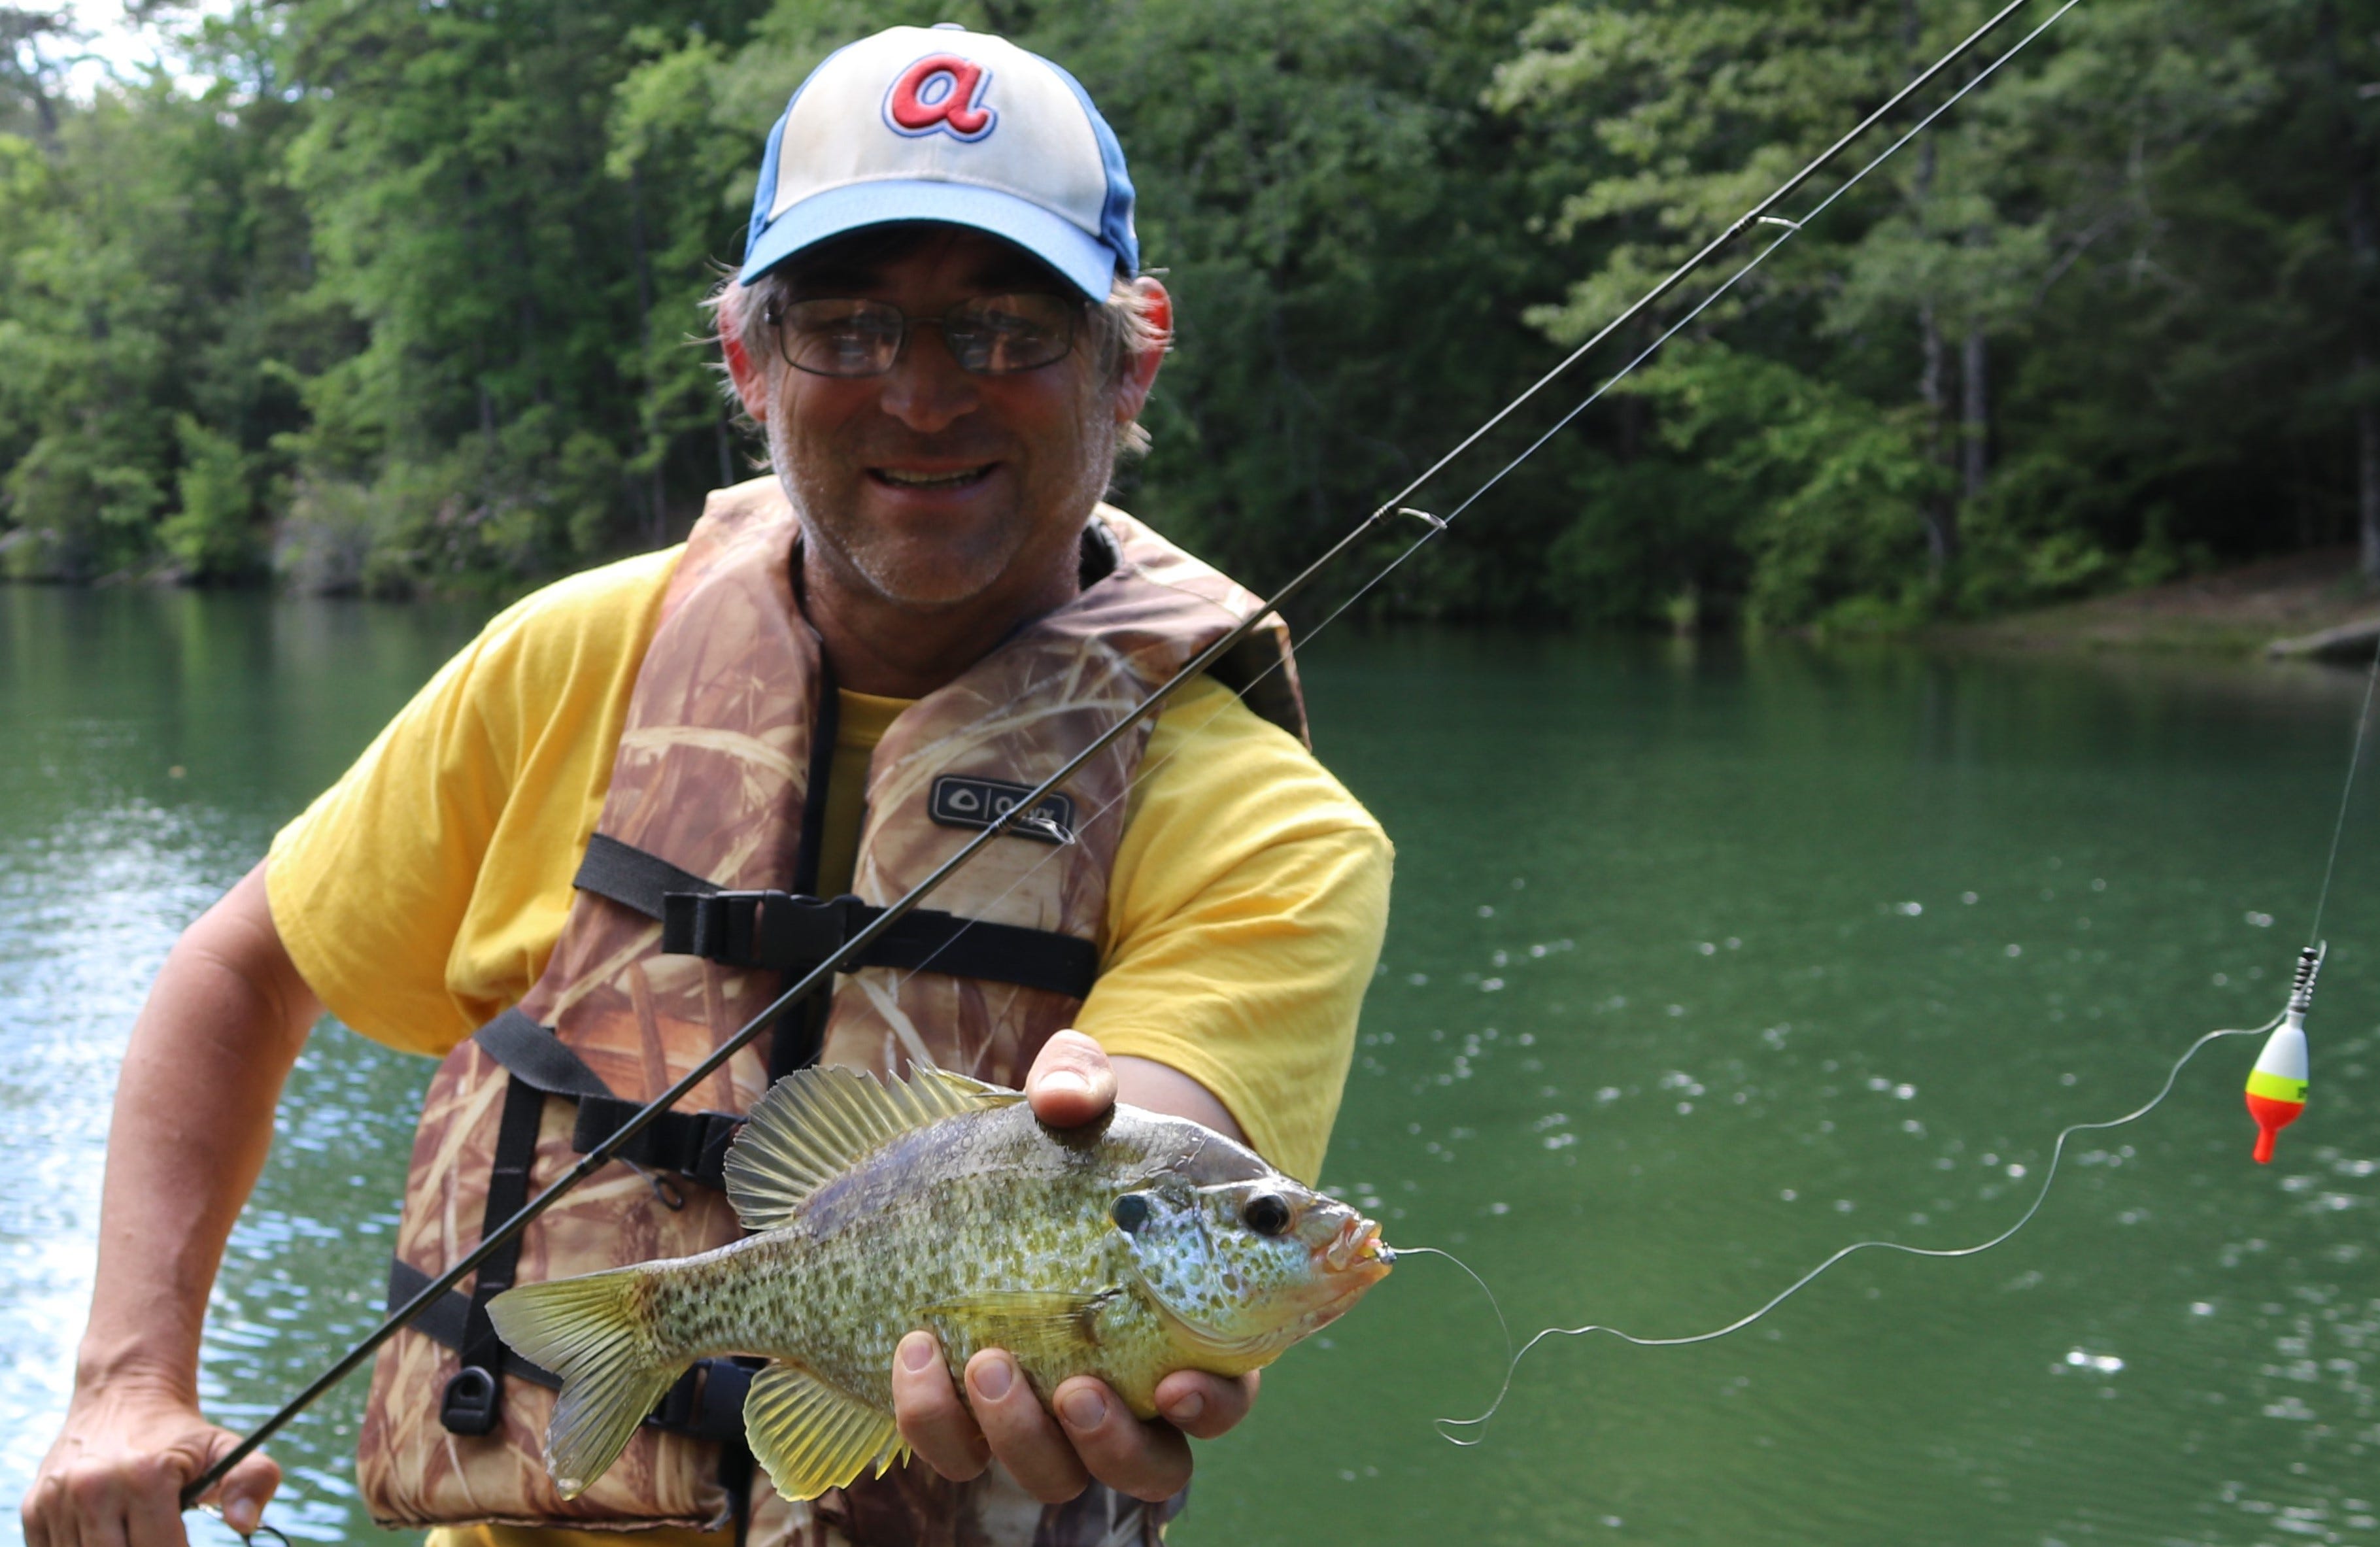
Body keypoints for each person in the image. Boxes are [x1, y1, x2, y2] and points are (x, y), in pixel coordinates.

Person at [22, 24, 1389, 1547]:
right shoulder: (561, 663)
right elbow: (242, 969)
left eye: (1006, 330)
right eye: (848, 326)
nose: (924, 398)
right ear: (748, 358)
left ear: (1131, 357)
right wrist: (129, 1378)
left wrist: (1102, 1295)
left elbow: (1139, 1141)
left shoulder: (1273, 828)